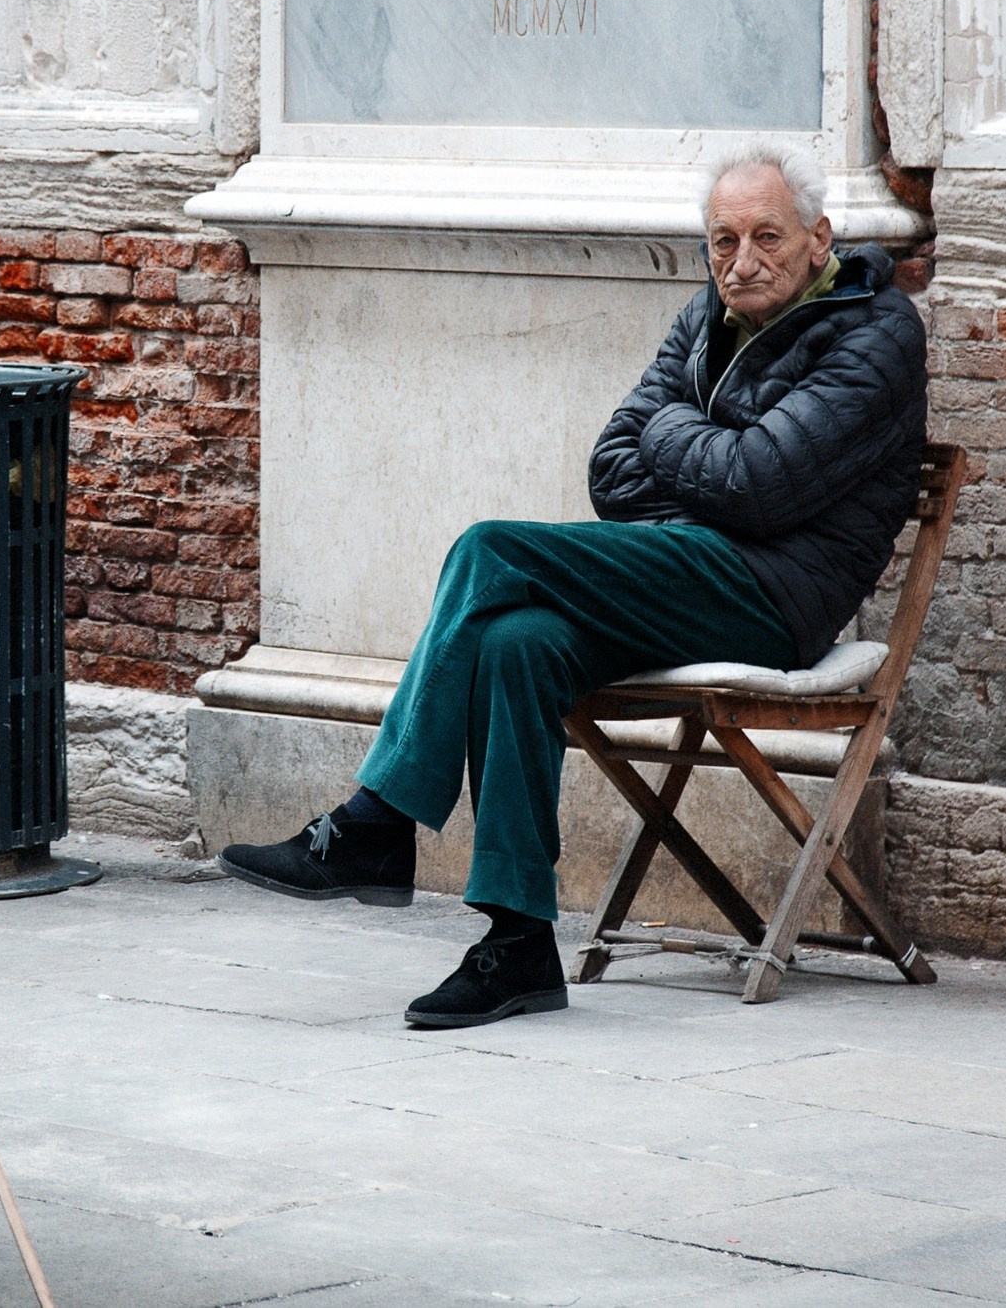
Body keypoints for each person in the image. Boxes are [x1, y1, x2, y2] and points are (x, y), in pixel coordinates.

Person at [219, 147, 929, 1027]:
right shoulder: (703, 318)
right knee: (517, 643)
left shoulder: (876, 331)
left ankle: (380, 820)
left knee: (489, 550)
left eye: (766, 236)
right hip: (670, 570)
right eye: (722, 241)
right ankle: (518, 942)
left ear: (819, 236)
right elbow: (611, 469)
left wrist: (678, 431)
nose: (741, 261)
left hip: (770, 598)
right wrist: (709, 456)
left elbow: (760, 482)